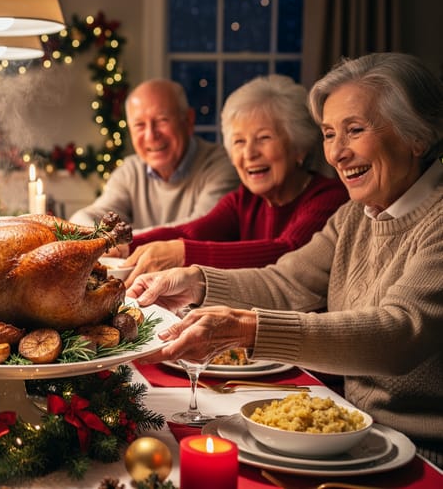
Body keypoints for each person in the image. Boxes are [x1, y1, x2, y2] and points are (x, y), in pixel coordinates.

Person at [128, 53, 443, 467]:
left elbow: (398, 334)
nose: (337, 154)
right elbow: (287, 282)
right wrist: (196, 282)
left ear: (416, 136)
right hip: (357, 439)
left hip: (425, 457)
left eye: (354, 130)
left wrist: (247, 328)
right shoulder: (354, 216)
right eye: (330, 134)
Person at [121, 75, 349, 281]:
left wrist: (184, 253)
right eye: (239, 141)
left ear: (299, 147)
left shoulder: (330, 198)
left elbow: (288, 251)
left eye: (264, 138)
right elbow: (191, 232)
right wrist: (120, 246)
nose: (249, 154)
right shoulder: (243, 201)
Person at [69, 79, 239, 231]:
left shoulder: (221, 165)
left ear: (188, 120)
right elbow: (84, 219)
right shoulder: (130, 171)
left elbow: (200, 229)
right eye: (139, 125)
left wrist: (125, 240)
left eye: (162, 120)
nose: (151, 135)